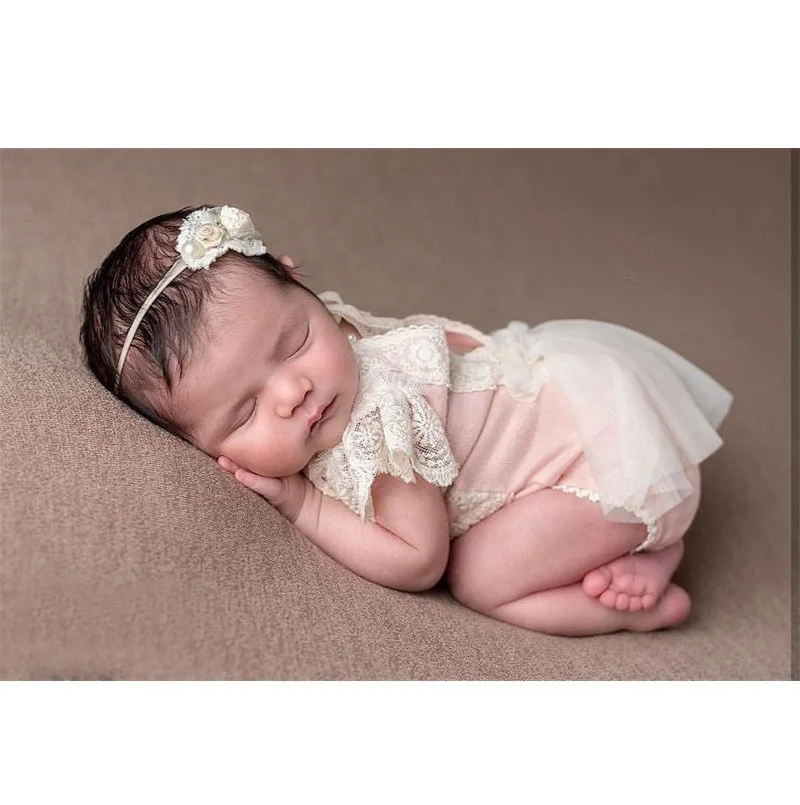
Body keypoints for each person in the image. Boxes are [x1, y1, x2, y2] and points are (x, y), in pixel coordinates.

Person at [80, 204, 733, 636]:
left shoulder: (377, 418)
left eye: (293, 343)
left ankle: (640, 590)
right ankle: (638, 536)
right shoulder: (326, 354)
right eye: (246, 410)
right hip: (603, 427)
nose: (295, 392)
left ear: (298, 281)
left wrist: (304, 504)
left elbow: (419, 559)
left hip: (611, 461)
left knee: (479, 577)